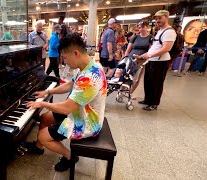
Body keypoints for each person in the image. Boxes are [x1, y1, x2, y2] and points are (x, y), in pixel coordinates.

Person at [25, 33, 107, 172]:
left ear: (76, 53)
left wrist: (42, 104)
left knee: (42, 136)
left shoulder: (90, 77)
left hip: (86, 122)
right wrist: (47, 92)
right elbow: (70, 85)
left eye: (65, 57)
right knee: (45, 118)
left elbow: (65, 109)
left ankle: (70, 156)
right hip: (78, 111)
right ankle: (39, 147)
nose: (64, 61)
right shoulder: (88, 65)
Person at [134, 10, 176, 111]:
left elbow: (166, 48)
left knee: (156, 83)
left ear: (166, 17)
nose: (157, 21)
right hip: (152, 60)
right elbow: (155, 47)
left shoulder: (169, 32)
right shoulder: (160, 31)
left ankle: (154, 103)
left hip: (160, 62)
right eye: (156, 19)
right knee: (148, 81)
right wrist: (143, 55)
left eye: (160, 18)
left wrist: (150, 55)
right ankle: (148, 100)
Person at [124, 20, 152, 99]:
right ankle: (123, 90)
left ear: (147, 27)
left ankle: (131, 92)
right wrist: (125, 58)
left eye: (143, 27)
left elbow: (150, 51)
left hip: (142, 60)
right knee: (127, 75)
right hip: (131, 58)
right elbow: (128, 49)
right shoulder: (135, 37)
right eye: (139, 27)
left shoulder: (150, 38)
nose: (141, 29)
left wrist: (143, 57)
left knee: (136, 78)